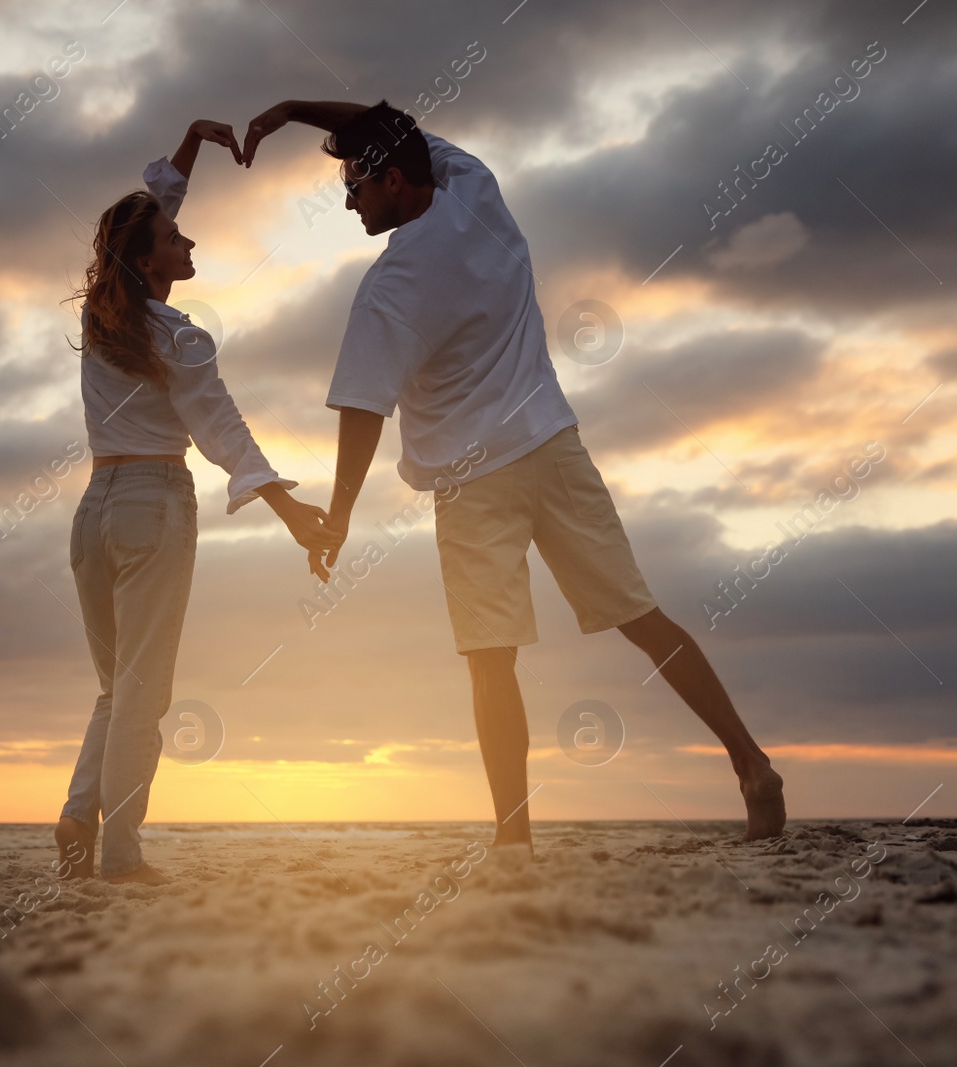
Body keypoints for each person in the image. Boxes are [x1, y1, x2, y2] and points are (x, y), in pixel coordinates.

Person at [240, 100, 786, 850]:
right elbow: (388, 117)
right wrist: (295, 111)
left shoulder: (390, 286)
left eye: (356, 186)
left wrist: (337, 515)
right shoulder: (475, 187)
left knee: (490, 661)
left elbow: (363, 410)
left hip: (474, 485)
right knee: (643, 619)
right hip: (553, 445)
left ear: (394, 180)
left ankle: (513, 838)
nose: (348, 199)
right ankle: (752, 764)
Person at [55, 119, 339, 884]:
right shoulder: (178, 335)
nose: (190, 246)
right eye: (177, 239)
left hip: (93, 511)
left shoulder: (101, 314)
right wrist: (291, 512)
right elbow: (225, 432)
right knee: (144, 690)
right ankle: (121, 854)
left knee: (118, 685)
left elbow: (141, 212)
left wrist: (192, 143)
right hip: (153, 503)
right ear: (148, 260)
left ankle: (81, 814)